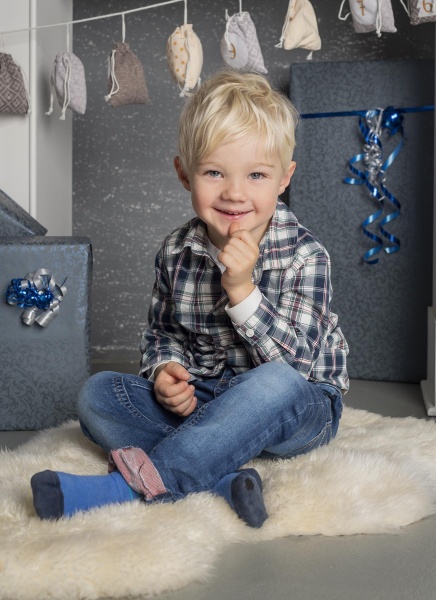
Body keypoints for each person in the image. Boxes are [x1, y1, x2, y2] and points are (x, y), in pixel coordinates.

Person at [31, 69, 349, 528]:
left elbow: (296, 367)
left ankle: (129, 487)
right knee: (99, 396)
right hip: (208, 397)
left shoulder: (305, 255)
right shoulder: (177, 251)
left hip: (299, 406)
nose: (235, 192)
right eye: (215, 172)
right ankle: (219, 474)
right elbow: (164, 331)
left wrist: (242, 292)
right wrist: (165, 371)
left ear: (284, 179)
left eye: (257, 174)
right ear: (184, 173)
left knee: (275, 384)